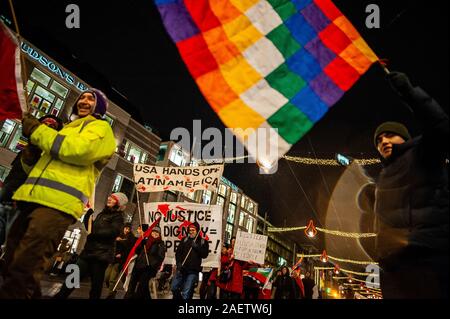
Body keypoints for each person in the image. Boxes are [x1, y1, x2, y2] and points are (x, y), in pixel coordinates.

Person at [0, 88, 116, 299]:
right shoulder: (65, 129)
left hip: (56, 205)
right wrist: (31, 154)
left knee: (24, 267)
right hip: (29, 200)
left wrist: (38, 131)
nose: (84, 100)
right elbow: (34, 169)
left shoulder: (101, 129)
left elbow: (78, 151)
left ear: (99, 107)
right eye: (82, 97)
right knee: (11, 263)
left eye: (91, 98)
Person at [370, 72, 449, 299]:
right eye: (378, 140)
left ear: (403, 137)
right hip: (395, 269)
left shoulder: (424, 152)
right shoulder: (383, 176)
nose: (383, 141)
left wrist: (408, 91)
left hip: (428, 258)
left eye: (389, 135)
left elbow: (440, 125)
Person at [0, 114, 63, 248]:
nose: (47, 126)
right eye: (45, 123)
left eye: (52, 126)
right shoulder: (28, 147)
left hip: (24, 199)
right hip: (9, 191)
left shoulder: (49, 154)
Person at [53, 192, 127, 299]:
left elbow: (113, 232)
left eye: (113, 198)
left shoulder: (118, 217)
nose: (109, 199)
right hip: (88, 252)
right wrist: (87, 218)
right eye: (110, 196)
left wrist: (94, 233)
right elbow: (90, 229)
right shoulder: (102, 214)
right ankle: (60, 296)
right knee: (73, 278)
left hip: (101, 255)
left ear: (118, 203)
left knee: (96, 285)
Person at [124, 225, 165, 299]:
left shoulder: (160, 244)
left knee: (142, 287)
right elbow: (137, 251)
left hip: (149, 268)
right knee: (132, 284)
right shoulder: (146, 240)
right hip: (139, 266)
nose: (155, 234)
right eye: (153, 232)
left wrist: (152, 265)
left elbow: (160, 257)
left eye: (157, 232)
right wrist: (141, 244)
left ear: (159, 234)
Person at [171, 222, 209, 300]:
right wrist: (178, 263)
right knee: (174, 287)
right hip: (182, 269)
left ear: (198, 231)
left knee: (186, 292)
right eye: (190, 230)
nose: (191, 232)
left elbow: (204, 255)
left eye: (193, 230)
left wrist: (196, 247)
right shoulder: (184, 240)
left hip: (193, 271)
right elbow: (178, 253)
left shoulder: (203, 242)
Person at [104, 222, 136, 299]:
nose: (127, 230)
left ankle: (111, 294)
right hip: (112, 259)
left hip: (120, 261)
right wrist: (115, 240)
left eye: (128, 229)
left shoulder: (131, 238)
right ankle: (112, 290)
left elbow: (129, 251)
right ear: (123, 228)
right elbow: (110, 245)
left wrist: (121, 254)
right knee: (106, 277)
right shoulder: (118, 235)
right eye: (126, 228)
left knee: (112, 279)